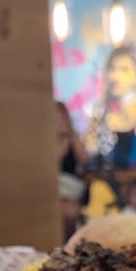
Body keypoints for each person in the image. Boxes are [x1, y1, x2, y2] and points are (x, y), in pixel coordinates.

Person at [87, 42, 136, 177]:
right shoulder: (99, 112)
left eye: (124, 69)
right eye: (112, 69)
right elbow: (90, 150)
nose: (115, 76)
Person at [55, 100, 90, 240]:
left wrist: (70, 138)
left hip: (70, 186)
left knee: (69, 212)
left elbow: (84, 159)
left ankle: (67, 241)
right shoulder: (45, 139)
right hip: (50, 183)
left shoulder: (73, 137)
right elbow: (55, 160)